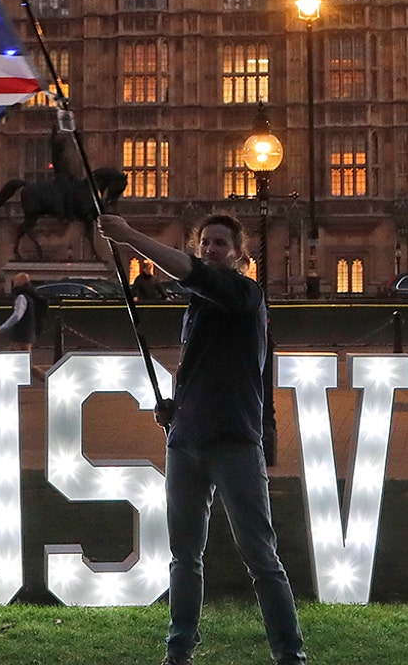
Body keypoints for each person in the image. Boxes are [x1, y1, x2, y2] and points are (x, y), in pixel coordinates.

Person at [95, 212, 306, 665]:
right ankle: (179, 650)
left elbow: (194, 275)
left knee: (260, 557)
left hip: (234, 441)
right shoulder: (197, 308)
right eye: (205, 242)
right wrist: (175, 407)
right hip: (186, 440)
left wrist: (130, 236)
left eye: (220, 244)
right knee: (184, 556)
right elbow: (205, 369)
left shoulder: (245, 294)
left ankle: (290, 654)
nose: (211, 249)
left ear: (239, 255)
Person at [0, 273, 42, 351]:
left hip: (20, 336)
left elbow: (17, 316)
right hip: (28, 334)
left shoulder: (21, 297)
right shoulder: (30, 296)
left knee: (16, 358)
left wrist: (1, 329)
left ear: (20, 282)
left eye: (16, 280)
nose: (14, 282)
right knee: (24, 358)